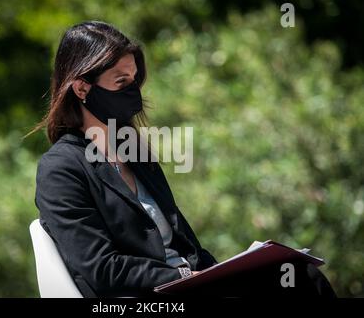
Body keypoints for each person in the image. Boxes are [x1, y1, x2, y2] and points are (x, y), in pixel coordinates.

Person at [32, 20, 336, 298]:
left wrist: (225, 271)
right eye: (121, 82)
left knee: (299, 275)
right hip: (146, 296)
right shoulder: (61, 169)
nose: (134, 93)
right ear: (82, 87)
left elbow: (187, 245)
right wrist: (184, 275)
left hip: (193, 284)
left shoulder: (134, 152)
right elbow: (102, 268)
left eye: (135, 81)